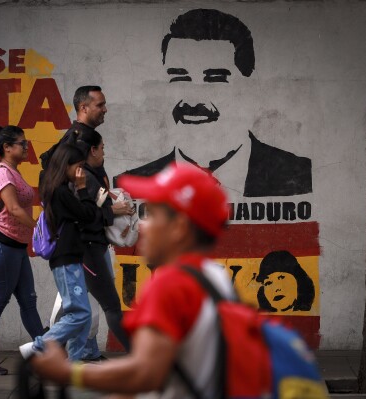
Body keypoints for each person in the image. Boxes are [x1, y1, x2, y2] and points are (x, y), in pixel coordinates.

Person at [30, 162, 236, 398]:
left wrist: (68, 374)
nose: (143, 225)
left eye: (153, 214)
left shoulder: (172, 285)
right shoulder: (215, 276)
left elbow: (144, 373)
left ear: (178, 228)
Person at [118, 9, 312, 198]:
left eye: (215, 80)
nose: (193, 101)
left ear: (247, 91)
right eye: (179, 78)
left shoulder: (299, 177)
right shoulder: (130, 186)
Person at [0, 125, 45, 376]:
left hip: (15, 247)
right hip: (1, 246)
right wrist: (40, 229)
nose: (26, 147)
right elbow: (14, 209)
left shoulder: (14, 171)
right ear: (7, 147)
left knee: (28, 300)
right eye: (22, 143)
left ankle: (47, 353)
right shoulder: (2, 173)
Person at [20, 144, 97, 361]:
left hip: (70, 259)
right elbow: (88, 214)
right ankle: (38, 346)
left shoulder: (58, 189)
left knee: (84, 316)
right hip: (66, 261)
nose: (81, 172)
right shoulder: (61, 192)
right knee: (79, 313)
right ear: (66, 166)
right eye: (78, 167)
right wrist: (82, 188)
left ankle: (71, 366)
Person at [75, 128, 133, 357]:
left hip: (94, 248)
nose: (104, 153)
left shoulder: (93, 174)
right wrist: (113, 210)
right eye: (102, 148)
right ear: (92, 150)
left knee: (81, 309)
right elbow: (84, 216)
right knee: (110, 306)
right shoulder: (85, 177)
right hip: (88, 248)